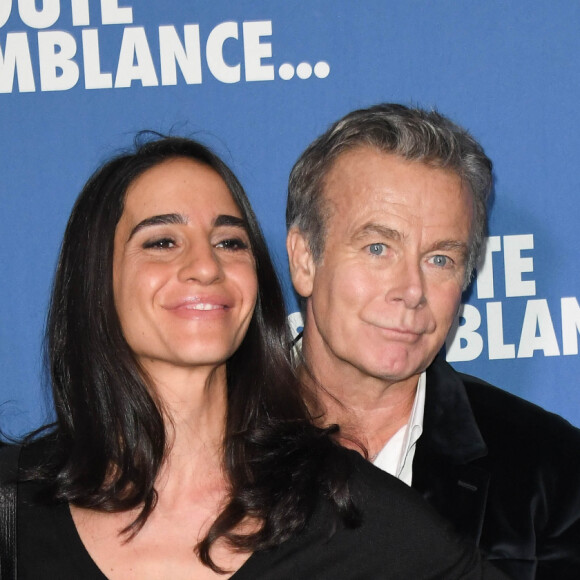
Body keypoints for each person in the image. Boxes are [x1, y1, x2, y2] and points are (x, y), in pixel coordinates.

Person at [0, 135, 507, 579]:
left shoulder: (349, 507)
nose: (205, 266)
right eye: (162, 241)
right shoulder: (13, 509)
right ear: (95, 281)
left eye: (229, 242)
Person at [285, 103, 580, 580]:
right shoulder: (209, 445)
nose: (412, 290)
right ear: (304, 259)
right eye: (378, 248)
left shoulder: (552, 471)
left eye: (440, 259)